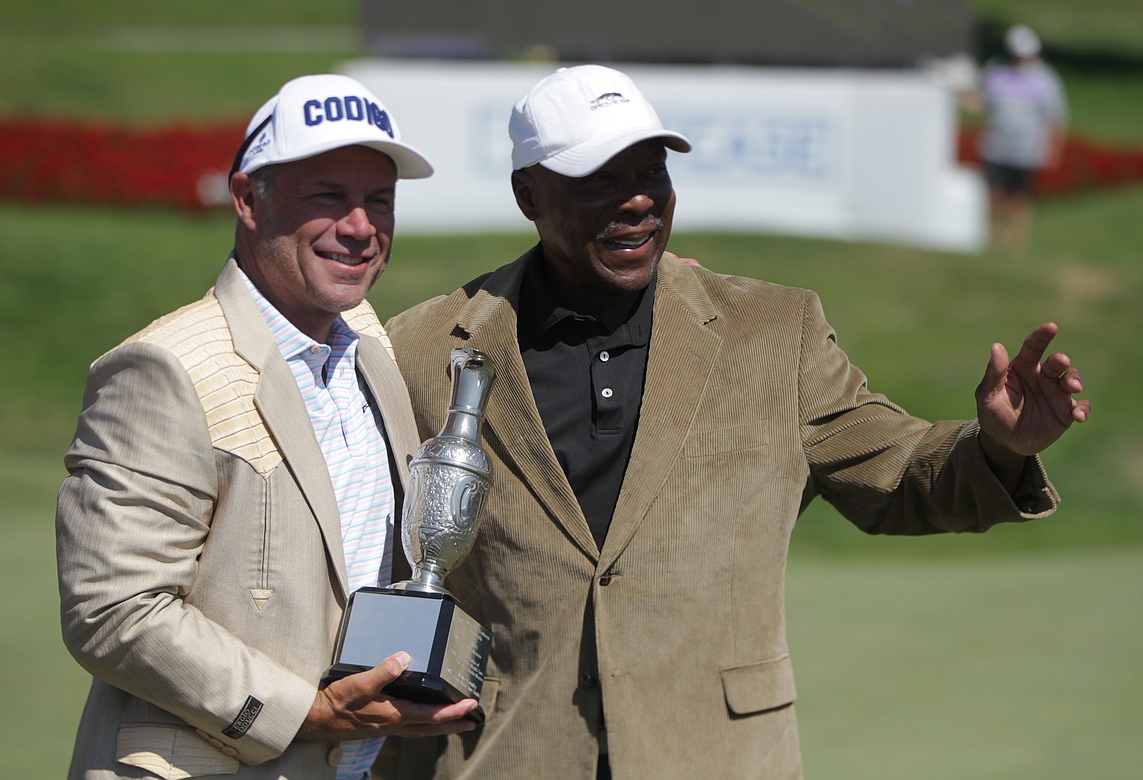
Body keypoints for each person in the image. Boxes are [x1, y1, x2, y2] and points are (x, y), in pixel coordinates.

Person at [378, 65, 1091, 779]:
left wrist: (995, 448)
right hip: (508, 756)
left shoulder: (776, 331)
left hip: (717, 757)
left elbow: (899, 472)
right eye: (599, 178)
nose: (636, 200)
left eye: (651, 170)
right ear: (527, 193)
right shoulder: (421, 347)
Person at [55, 74, 478, 780]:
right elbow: (114, 609)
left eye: (379, 201)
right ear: (249, 200)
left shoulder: (371, 344)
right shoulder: (164, 367)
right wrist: (302, 713)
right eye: (327, 197)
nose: (360, 227)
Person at [975, 24, 1069, 253]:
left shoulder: (1046, 79)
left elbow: (1056, 117)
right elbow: (981, 102)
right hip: (996, 146)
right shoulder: (995, 71)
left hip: (1027, 149)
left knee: (1019, 200)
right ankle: (992, 242)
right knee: (994, 197)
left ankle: (1014, 246)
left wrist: (1054, 148)